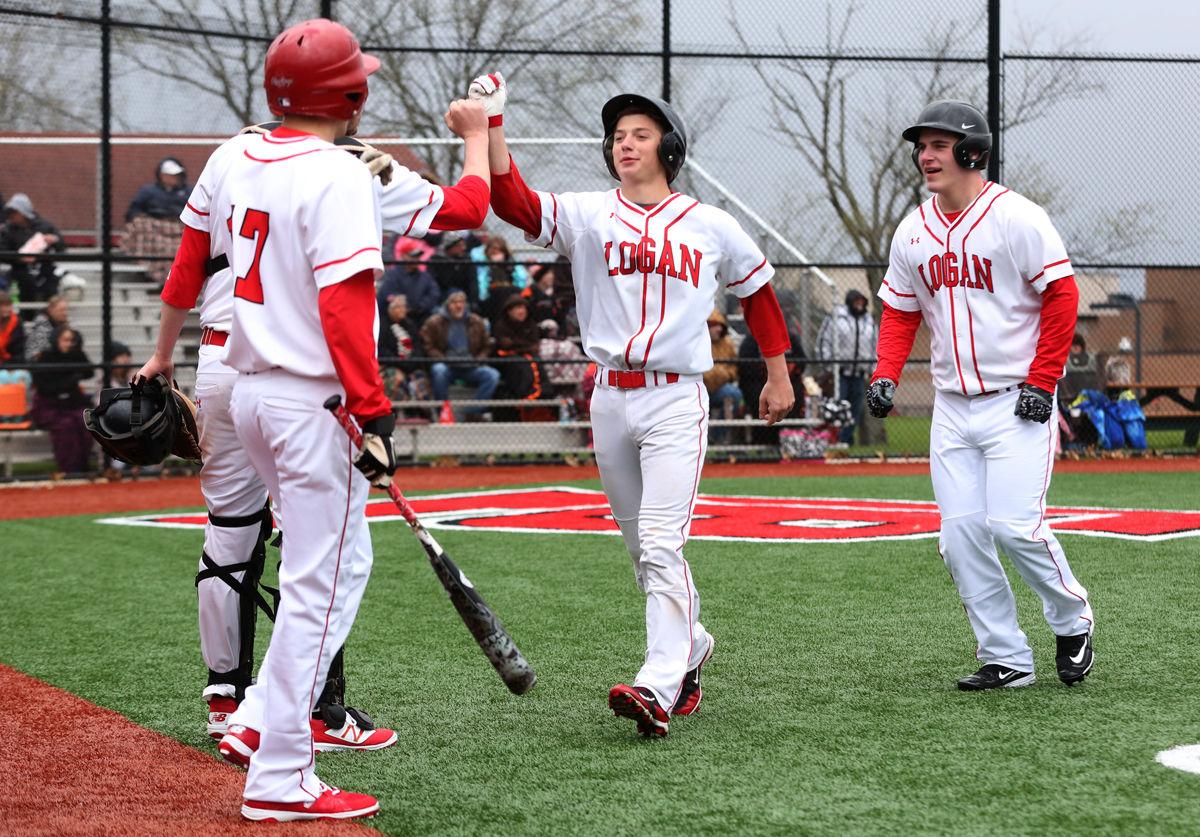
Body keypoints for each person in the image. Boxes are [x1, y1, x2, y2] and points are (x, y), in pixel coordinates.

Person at [135, 18, 492, 822]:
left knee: (323, 563)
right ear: (351, 95)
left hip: (248, 385)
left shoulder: (235, 153)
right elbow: (345, 303)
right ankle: (279, 768)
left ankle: (253, 710)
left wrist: (161, 353)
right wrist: (373, 412)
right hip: (309, 398)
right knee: (318, 585)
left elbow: (190, 265)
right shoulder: (340, 174)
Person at [473, 73, 794, 736]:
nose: (626, 143)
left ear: (668, 147)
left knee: (658, 540)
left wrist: (779, 373)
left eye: (641, 134)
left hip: (676, 395)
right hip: (609, 397)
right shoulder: (590, 212)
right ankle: (692, 643)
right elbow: (516, 203)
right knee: (640, 548)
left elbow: (759, 293)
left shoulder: (711, 224)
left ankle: (657, 681)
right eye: (618, 135)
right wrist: (495, 122)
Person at [866, 100, 1094, 691]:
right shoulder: (913, 229)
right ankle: (1007, 657)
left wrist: (1045, 380)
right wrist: (886, 372)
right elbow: (899, 310)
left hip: (1017, 401)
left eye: (939, 145)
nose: (926, 156)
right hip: (952, 406)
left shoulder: (1016, 217)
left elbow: (1062, 296)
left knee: (1015, 527)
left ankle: (1071, 618)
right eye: (922, 147)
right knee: (961, 537)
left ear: (972, 151)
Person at [419, 288, 499, 417]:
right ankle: (444, 411)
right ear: (447, 305)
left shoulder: (476, 321)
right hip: (447, 365)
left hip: (470, 365)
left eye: (461, 302)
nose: (458, 305)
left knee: (492, 375)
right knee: (439, 370)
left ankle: (474, 412)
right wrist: (443, 359)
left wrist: (478, 359)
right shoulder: (434, 322)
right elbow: (428, 345)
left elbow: (487, 345)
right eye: (454, 302)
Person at [30, 326, 94, 477]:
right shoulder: (46, 356)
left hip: (72, 404)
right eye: (65, 340)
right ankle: (70, 470)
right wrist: (70, 380)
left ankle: (83, 467)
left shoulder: (75, 354)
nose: (69, 343)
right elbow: (45, 386)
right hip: (49, 406)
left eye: (71, 340)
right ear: (56, 340)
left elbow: (88, 372)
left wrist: (77, 351)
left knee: (85, 421)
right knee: (66, 426)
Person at [815, 289, 877, 445]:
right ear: (850, 302)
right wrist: (828, 366)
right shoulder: (836, 317)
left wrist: (873, 369)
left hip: (859, 373)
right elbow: (824, 341)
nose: (859, 305)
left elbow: (875, 345)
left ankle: (846, 440)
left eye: (862, 302)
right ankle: (834, 439)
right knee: (838, 406)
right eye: (856, 301)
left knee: (855, 409)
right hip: (839, 372)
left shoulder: (868, 321)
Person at [123, 158, 192, 285]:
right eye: (170, 175)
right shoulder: (148, 191)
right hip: (153, 227)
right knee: (140, 225)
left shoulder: (188, 192)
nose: (174, 178)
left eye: (176, 175)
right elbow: (133, 211)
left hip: (179, 227)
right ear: (162, 175)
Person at [0, 193, 66, 305]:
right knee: (21, 287)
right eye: (10, 213)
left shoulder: (45, 226)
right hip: (19, 272)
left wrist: (54, 240)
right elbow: (3, 252)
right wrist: (19, 258)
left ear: (24, 212)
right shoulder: (8, 230)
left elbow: (62, 248)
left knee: (51, 287)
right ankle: (26, 316)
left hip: (45, 271)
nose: (11, 216)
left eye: (15, 212)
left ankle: (47, 314)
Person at [376, 236, 441, 323]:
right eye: (413, 256)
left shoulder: (424, 276)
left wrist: (420, 306)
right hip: (394, 320)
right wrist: (406, 306)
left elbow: (434, 293)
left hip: (419, 316)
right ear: (403, 256)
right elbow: (388, 294)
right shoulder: (393, 274)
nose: (416, 259)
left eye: (418, 256)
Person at [491, 294, 543, 402]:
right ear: (509, 311)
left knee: (538, 365)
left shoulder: (531, 325)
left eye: (523, 308)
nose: (522, 311)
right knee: (520, 367)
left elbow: (533, 345)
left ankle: (541, 395)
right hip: (508, 362)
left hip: (529, 358)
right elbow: (505, 345)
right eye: (518, 308)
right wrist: (523, 346)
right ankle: (524, 396)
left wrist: (517, 344)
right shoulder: (501, 326)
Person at [702, 308, 743, 442]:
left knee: (734, 394)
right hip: (700, 388)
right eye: (714, 326)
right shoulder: (698, 342)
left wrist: (723, 373)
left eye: (720, 326)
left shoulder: (727, 343)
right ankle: (700, 439)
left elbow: (734, 368)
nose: (718, 329)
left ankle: (716, 437)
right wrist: (714, 372)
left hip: (720, 389)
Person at [378, 294, 428, 403]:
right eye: (398, 307)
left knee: (420, 377)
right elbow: (381, 350)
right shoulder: (382, 325)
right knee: (397, 378)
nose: (402, 310)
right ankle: (398, 413)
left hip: (410, 364)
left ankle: (423, 412)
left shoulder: (410, 325)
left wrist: (411, 361)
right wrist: (400, 363)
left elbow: (417, 347)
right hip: (390, 365)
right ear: (390, 309)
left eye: (403, 307)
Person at [472, 233, 529, 319]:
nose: (495, 252)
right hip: (490, 298)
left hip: (511, 296)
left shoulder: (512, 265)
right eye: (493, 249)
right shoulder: (482, 265)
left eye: (498, 249)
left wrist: (502, 265)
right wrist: (494, 266)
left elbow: (521, 281)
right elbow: (482, 287)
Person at [429, 231, 479, 306]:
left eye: (464, 244)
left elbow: (472, 283)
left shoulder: (467, 260)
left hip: (464, 298)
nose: (464, 248)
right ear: (449, 247)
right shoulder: (436, 261)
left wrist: (473, 302)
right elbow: (435, 285)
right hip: (441, 298)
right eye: (459, 245)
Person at [523, 262, 568, 329]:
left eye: (552, 273)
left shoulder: (554, 294)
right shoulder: (529, 291)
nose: (551, 276)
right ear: (541, 276)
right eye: (548, 273)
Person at [24, 296, 70, 361]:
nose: (65, 313)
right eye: (61, 310)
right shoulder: (40, 328)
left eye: (66, 309)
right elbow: (35, 355)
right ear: (51, 310)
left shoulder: (65, 326)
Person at [1059, 333, 1102, 403]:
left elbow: (1097, 379)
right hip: (1069, 395)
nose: (1076, 347)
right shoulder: (1066, 360)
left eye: (1078, 345)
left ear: (1082, 347)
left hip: (1087, 394)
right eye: (1073, 345)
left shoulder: (1091, 360)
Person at [0, 291, 30, 388]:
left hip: (13, 364)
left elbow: (20, 351)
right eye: (2, 306)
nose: (6, 309)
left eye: (8, 305)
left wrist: (9, 366)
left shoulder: (17, 324)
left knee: (20, 377)